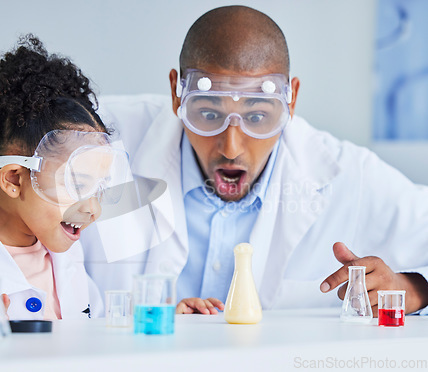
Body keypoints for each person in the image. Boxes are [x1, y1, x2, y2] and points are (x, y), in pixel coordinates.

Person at [83, 5, 428, 316]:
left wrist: (415, 289)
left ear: (290, 100)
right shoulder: (99, 140)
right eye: (207, 112)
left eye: (258, 117)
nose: (231, 147)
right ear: (176, 93)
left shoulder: (349, 175)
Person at [0, 35, 127, 320]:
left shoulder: (67, 257)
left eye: (99, 187)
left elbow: (98, 334)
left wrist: (176, 316)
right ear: (14, 179)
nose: (93, 209)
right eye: (78, 184)